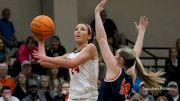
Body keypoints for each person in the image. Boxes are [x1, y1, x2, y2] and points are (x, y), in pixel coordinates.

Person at [95, 0, 165, 100]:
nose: (114, 57)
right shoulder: (131, 72)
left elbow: (101, 39)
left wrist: (97, 13)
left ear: (121, 60)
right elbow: (135, 54)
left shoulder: (115, 69)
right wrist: (141, 34)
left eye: (116, 55)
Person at [33, 23, 99, 100]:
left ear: (89, 36)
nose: (78, 31)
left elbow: (72, 64)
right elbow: (43, 62)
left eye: (82, 29)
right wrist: (41, 40)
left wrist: (46, 58)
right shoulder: (69, 55)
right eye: (76, 29)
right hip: (73, 96)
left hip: (88, 97)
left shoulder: (91, 47)